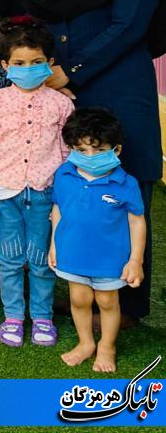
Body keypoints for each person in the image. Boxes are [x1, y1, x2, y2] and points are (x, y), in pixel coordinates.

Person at [28, 0, 166, 325]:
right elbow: (40, 25)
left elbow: (129, 27)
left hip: (120, 89)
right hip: (68, 94)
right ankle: (81, 290)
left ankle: (127, 303)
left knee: (126, 191)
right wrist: (48, 66)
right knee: (74, 191)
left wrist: (71, 69)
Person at [0, 23, 73, 349]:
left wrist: (63, 198)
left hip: (46, 192)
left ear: (49, 63)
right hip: (5, 191)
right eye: (19, 63)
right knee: (9, 259)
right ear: (6, 65)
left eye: (36, 62)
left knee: (42, 259)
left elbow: (67, 154)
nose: (28, 68)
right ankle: (14, 317)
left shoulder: (62, 104)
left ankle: (43, 316)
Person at [51, 108, 146, 373]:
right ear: (71, 148)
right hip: (72, 253)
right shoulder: (64, 174)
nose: (90, 157)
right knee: (79, 299)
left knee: (107, 302)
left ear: (116, 150)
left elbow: (137, 222)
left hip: (110, 259)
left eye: (99, 150)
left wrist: (135, 260)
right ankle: (86, 343)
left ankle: (107, 347)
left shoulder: (126, 183)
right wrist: (54, 245)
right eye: (81, 150)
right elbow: (58, 209)